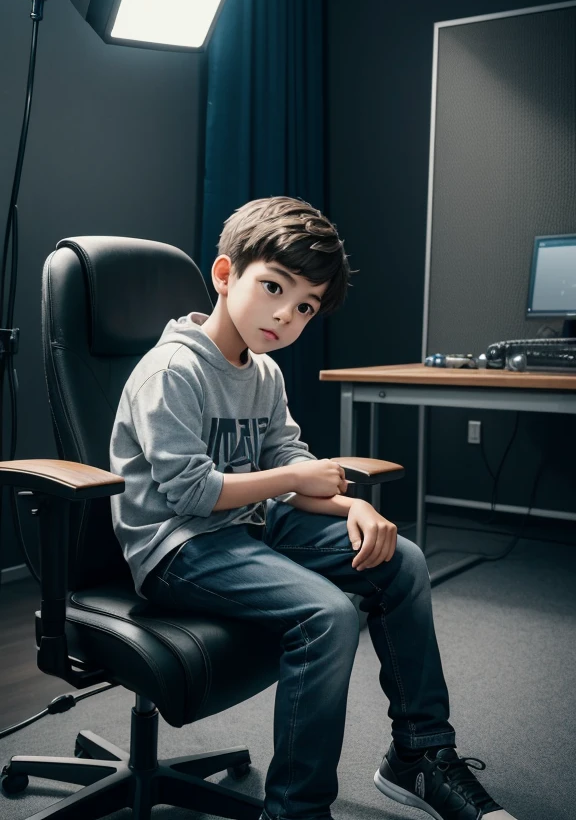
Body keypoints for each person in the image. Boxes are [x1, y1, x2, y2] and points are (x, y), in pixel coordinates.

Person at [110, 195, 518, 820]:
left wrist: (351, 508)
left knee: (399, 560)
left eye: (304, 307)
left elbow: (290, 468)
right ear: (225, 276)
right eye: (274, 287)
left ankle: (419, 755)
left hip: (246, 530)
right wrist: (293, 477)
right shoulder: (171, 370)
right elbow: (191, 493)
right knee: (328, 614)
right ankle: (296, 811)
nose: (285, 315)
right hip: (177, 548)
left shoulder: (264, 374)